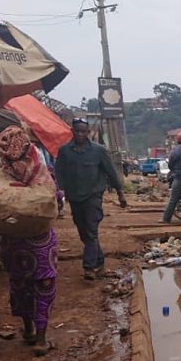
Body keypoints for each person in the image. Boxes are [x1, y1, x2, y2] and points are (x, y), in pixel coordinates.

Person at [0, 126, 59, 356]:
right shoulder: (39, 170)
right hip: (40, 241)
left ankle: (28, 330)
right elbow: (53, 198)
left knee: (20, 285)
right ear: (26, 146)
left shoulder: (3, 174)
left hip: (12, 242)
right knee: (44, 286)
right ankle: (42, 340)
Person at [55, 118, 126, 280]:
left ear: (88, 133)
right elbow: (59, 172)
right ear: (72, 131)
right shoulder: (64, 151)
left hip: (93, 196)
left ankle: (89, 267)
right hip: (74, 197)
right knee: (84, 233)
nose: (80, 134)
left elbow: (111, 172)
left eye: (83, 131)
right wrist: (59, 192)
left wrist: (120, 192)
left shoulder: (98, 150)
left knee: (91, 230)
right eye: (77, 131)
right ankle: (100, 261)